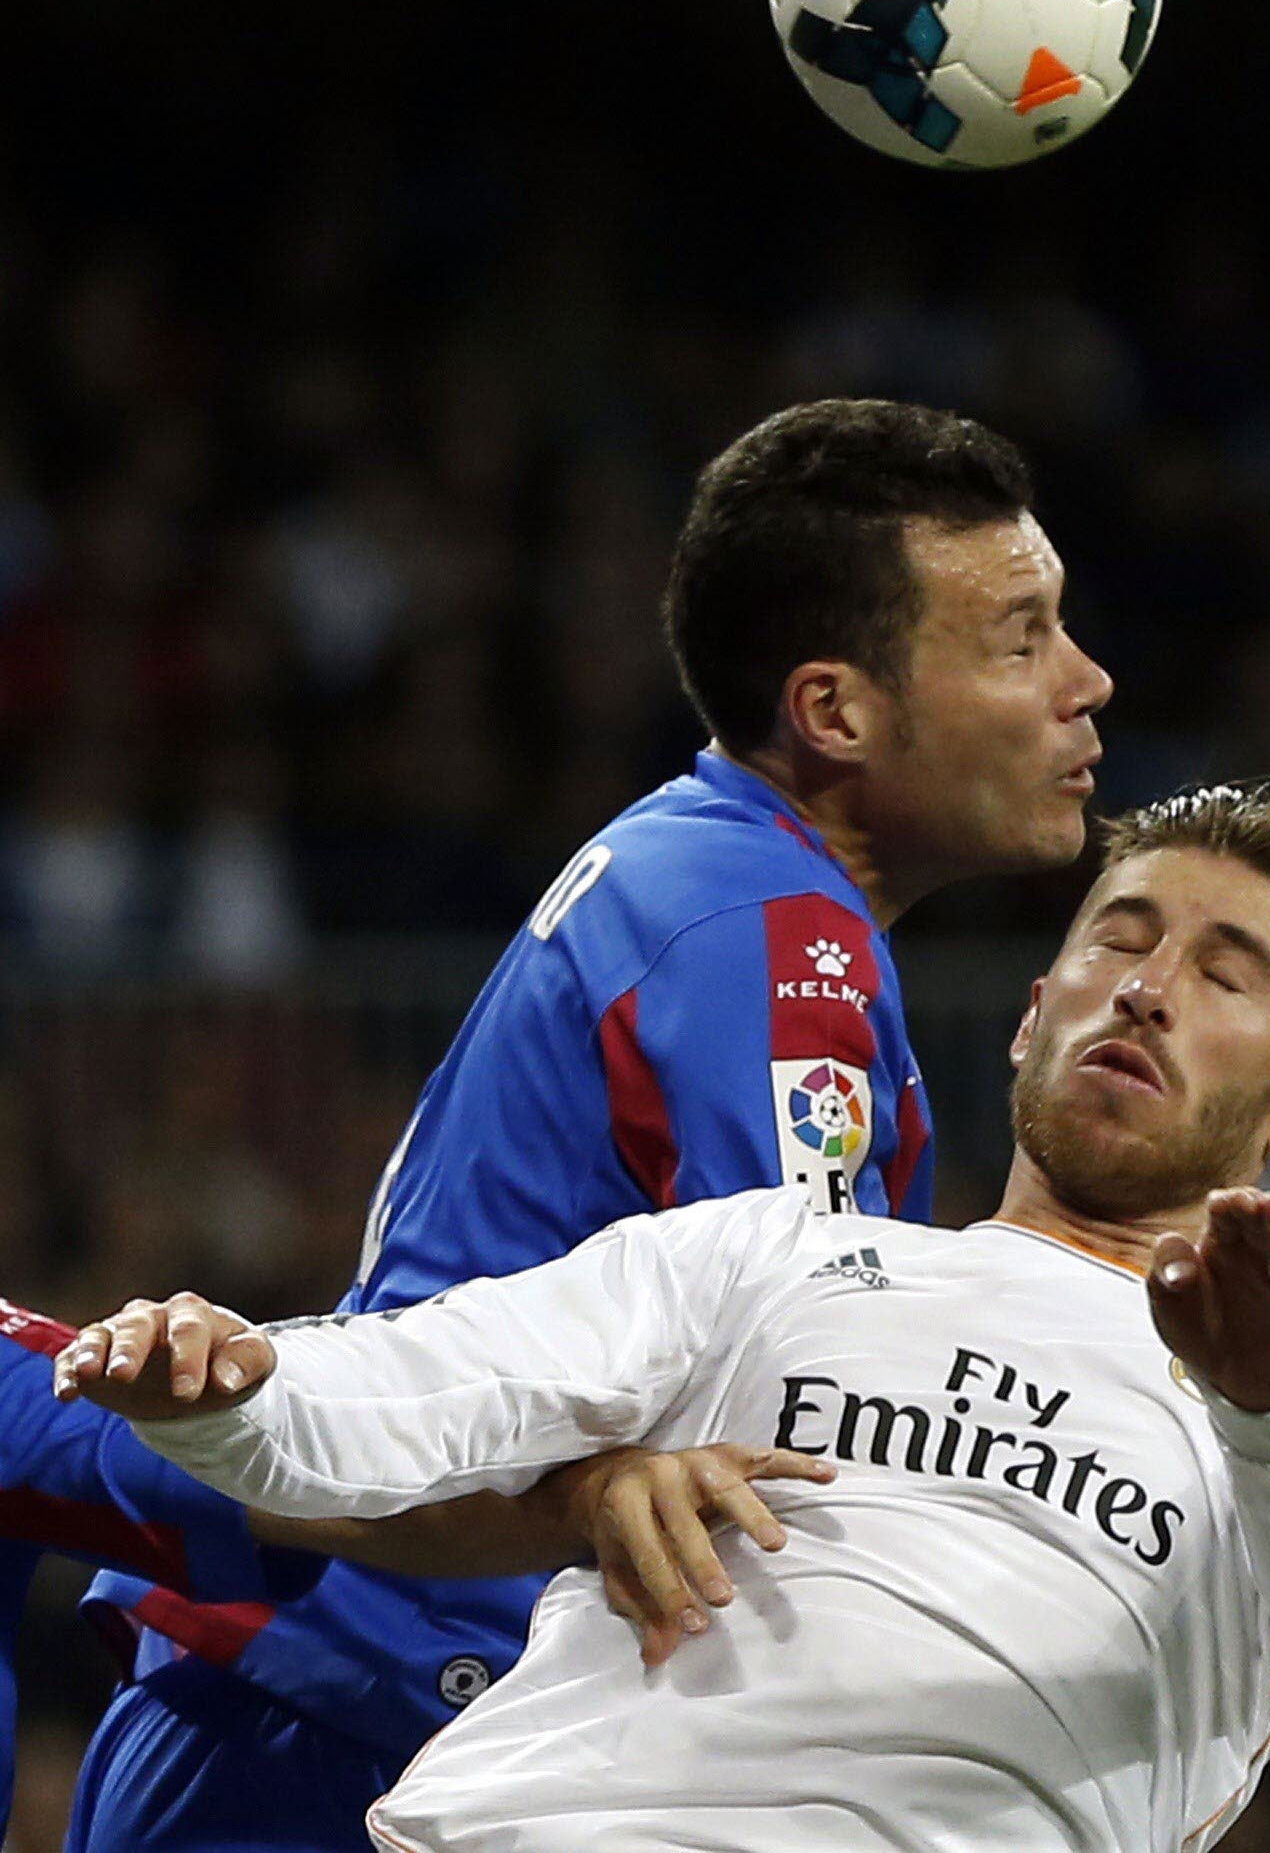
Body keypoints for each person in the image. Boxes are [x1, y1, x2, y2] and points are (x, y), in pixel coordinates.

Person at [60, 785, 1270, 1852]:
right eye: (1118, 938)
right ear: (1028, 1012)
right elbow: (409, 1395)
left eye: (1224, 971)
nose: (1146, 986)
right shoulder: (772, 1256)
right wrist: (228, 1382)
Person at [6, 397, 1114, 1846]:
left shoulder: (725, 885)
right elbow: (817, 1390)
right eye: (1021, 637)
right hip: (364, 1727)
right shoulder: (769, 932)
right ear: (834, 709)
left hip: (363, 1695)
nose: (1085, 681)